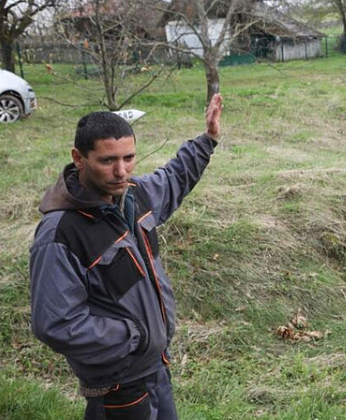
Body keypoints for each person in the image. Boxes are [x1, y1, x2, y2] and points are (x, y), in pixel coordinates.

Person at [30, 94, 223, 419]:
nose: (121, 171)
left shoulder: (135, 196)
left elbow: (174, 177)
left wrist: (209, 139)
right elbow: (56, 324)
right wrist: (136, 337)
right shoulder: (61, 233)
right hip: (117, 385)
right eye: (107, 161)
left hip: (156, 370)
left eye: (129, 158)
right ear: (79, 158)